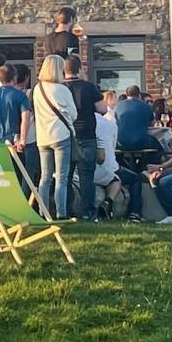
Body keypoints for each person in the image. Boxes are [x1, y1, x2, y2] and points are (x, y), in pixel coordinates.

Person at [33, 54, 79, 218]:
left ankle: (43, 212)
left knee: (45, 178)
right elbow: (73, 114)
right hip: (61, 136)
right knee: (61, 178)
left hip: (43, 136)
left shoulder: (37, 89)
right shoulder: (62, 89)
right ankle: (61, 213)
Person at [64, 55, 107, 221]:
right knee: (86, 176)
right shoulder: (88, 87)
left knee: (64, 176)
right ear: (80, 69)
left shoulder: (60, 88)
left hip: (66, 136)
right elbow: (103, 109)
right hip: (87, 135)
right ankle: (87, 212)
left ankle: (65, 210)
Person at [94, 110, 143, 222]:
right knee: (135, 178)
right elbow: (113, 148)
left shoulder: (77, 122)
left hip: (85, 167)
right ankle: (134, 213)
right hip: (109, 168)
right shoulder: (110, 124)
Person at [0, 62, 33, 150]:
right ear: (15, 77)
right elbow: (25, 118)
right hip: (13, 142)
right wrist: (22, 140)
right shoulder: (21, 96)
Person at [114, 85, 164, 164]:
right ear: (139, 95)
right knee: (159, 149)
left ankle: (124, 168)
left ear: (127, 95)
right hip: (141, 141)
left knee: (114, 151)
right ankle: (144, 168)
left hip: (121, 142)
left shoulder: (118, 106)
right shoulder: (146, 106)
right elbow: (152, 123)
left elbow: (115, 121)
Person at [14, 62, 40, 185]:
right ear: (26, 78)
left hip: (12, 139)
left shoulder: (8, 94)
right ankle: (27, 200)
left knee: (14, 173)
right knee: (29, 173)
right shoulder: (32, 94)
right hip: (30, 137)